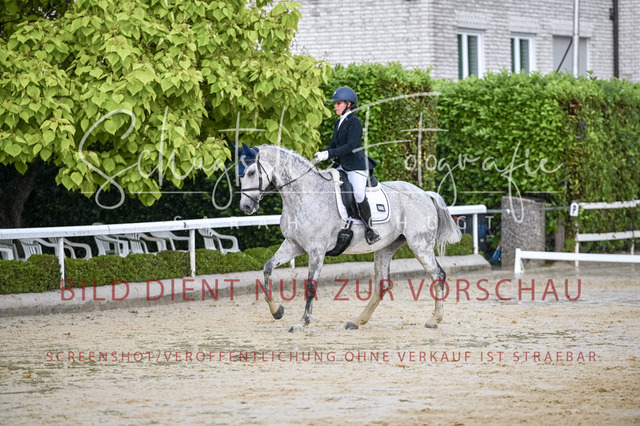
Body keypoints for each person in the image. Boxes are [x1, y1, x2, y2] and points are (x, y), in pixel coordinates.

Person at [313, 86, 381, 245]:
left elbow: (351, 146)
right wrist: (323, 153)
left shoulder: (354, 122)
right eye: (335, 103)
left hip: (356, 166)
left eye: (338, 103)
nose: (335, 106)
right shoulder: (339, 122)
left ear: (349, 104)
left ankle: (370, 229)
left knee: (358, 194)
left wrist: (329, 154)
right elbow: (333, 144)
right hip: (341, 165)